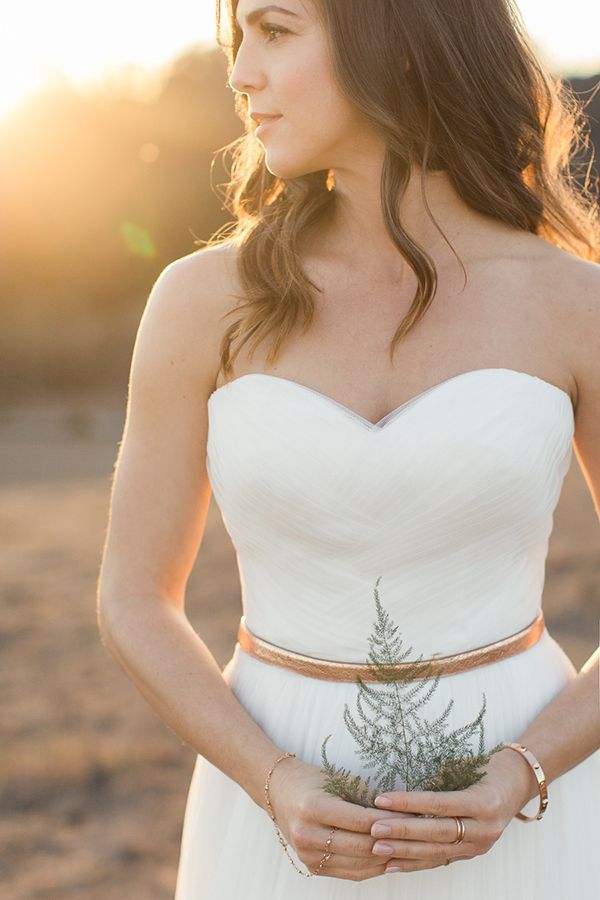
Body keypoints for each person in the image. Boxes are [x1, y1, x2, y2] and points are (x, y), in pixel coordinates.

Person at [97, 1, 600, 897]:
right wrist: (271, 778)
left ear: (399, 40)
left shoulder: (573, 305)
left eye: (275, 31)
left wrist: (524, 771)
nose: (240, 72)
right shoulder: (201, 301)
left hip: (526, 795)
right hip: (272, 802)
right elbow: (133, 598)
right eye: (235, 41)